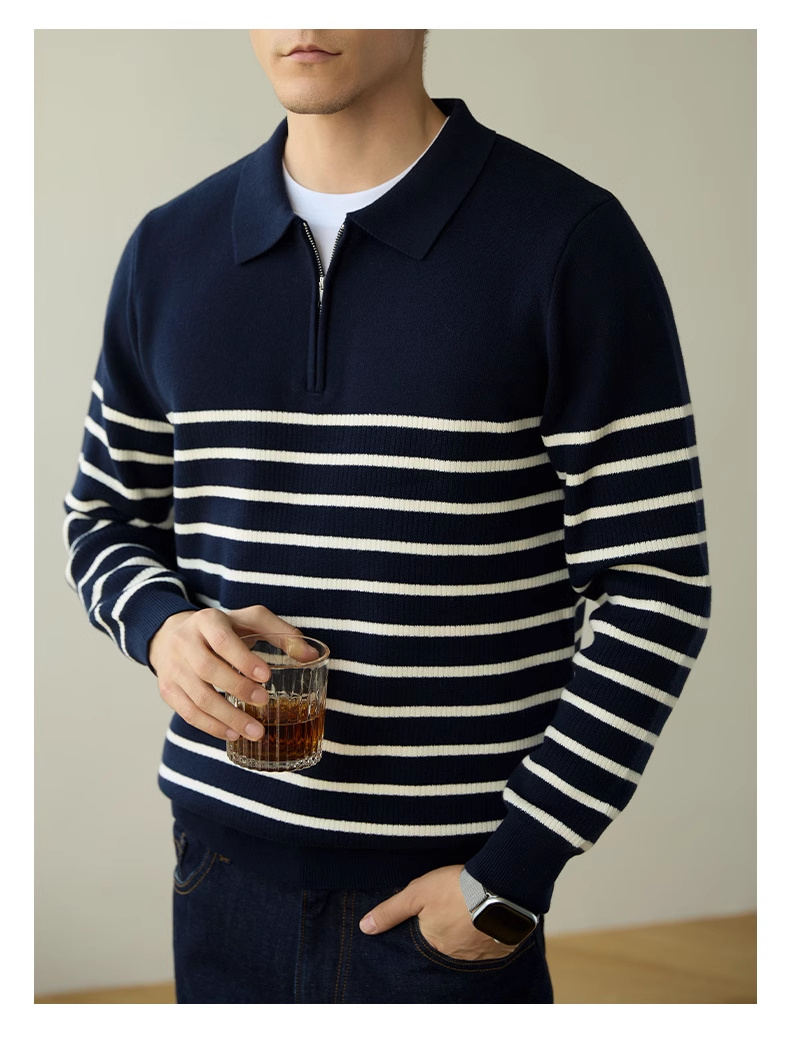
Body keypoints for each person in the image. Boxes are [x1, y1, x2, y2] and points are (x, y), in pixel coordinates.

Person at [63, 29, 712, 1004]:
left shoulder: (567, 240)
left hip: (450, 895)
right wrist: (162, 629)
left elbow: (656, 583)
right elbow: (103, 517)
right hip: (219, 871)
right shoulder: (169, 249)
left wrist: (511, 876)